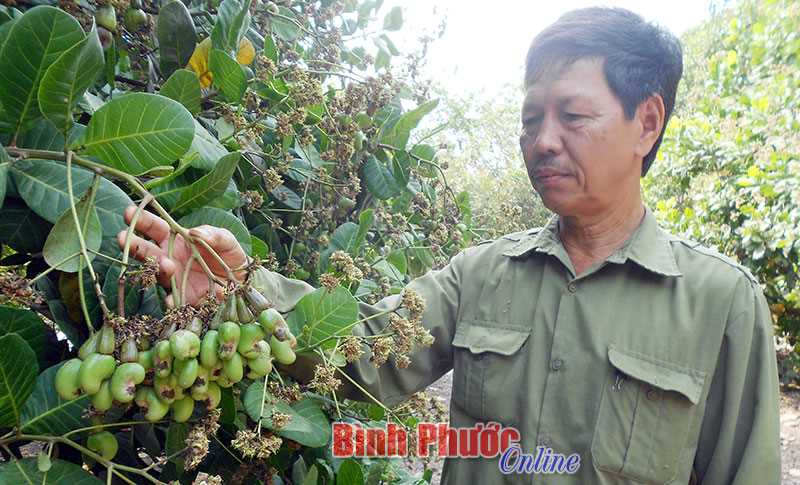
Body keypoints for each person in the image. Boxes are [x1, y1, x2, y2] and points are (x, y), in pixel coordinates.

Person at [118, 7, 781, 484]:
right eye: (530, 119)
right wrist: (242, 288)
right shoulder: (481, 274)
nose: (543, 140)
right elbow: (361, 358)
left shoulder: (722, 302)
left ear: (647, 122)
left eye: (573, 116)